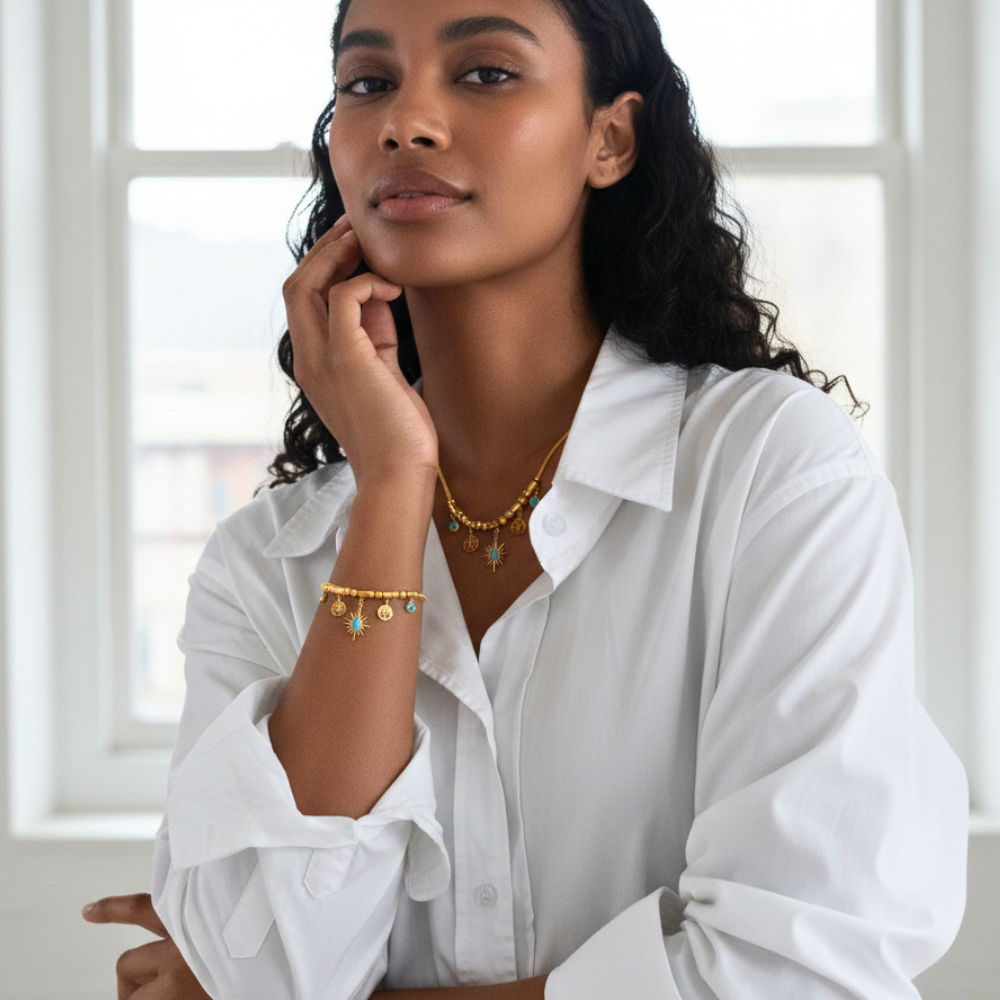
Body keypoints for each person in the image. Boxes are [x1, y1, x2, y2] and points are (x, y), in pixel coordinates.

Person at [82, 0, 969, 996]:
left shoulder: (769, 473)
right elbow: (282, 968)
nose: (405, 121)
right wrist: (388, 492)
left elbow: (800, 972)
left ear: (610, 138)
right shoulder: (265, 563)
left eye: (486, 73)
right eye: (366, 82)